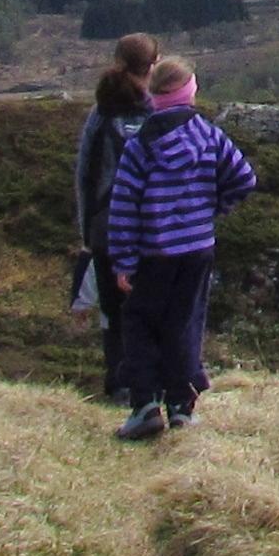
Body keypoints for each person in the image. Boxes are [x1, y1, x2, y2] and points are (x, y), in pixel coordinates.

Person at [102, 56, 257, 441]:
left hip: (155, 254)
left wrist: (122, 261)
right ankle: (181, 408)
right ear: (189, 94)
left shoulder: (141, 146)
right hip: (198, 249)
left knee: (138, 324)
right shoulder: (209, 135)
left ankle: (144, 406)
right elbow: (243, 179)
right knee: (182, 325)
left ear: (155, 97)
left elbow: (123, 207)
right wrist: (209, 210)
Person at [71, 36, 157, 401]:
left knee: (112, 310)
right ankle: (146, 386)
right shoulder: (157, 113)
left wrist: (86, 230)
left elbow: (84, 175)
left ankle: (118, 382)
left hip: (105, 227)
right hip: (149, 229)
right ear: (152, 67)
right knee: (147, 308)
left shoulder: (101, 112)